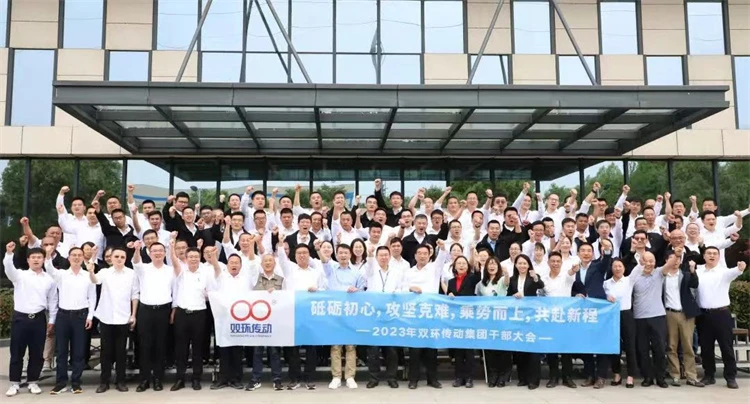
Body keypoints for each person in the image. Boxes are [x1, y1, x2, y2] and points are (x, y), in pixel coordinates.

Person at [4, 241, 58, 397]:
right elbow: (9, 269)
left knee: (37, 352)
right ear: (28, 260)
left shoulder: (49, 279)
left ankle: (33, 381)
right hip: (20, 318)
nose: (36, 260)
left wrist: (52, 320)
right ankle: (14, 383)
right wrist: (9, 254)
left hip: (39, 318)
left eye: (39, 257)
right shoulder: (20, 275)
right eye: (33, 257)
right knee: (17, 352)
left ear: (43, 259)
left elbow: (53, 301)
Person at [43, 246, 97, 395]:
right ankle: (60, 383)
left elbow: (92, 297)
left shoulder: (88, 275)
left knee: (78, 351)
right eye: (74, 255)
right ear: (69, 258)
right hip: (63, 316)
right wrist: (48, 254)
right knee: (61, 351)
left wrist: (90, 316)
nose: (77, 257)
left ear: (83, 258)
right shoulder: (61, 274)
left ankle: (76, 382)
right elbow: (49, 269)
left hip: (81, 316)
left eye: (79, 255)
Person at [693, 247, 747, 389]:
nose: (712, 256)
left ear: (718, 256)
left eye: (715, 254)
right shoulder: (698, 272)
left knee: (726, 347)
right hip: (703, 315)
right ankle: (709, 375)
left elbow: (736, 271)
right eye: (709, 253)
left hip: (721, 314)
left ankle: (730, 377)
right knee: (706, 348)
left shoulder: (724, 272)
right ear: (704, 256)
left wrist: (740, 267)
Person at [90, 247, 138, 394]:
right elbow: (95, 280)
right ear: (111, 258)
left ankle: (120, 381)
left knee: (121, 352)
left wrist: (133, 315)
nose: (119, 259)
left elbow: (134, 295)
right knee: (106, 352)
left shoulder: (131, 274)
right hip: (106, 317)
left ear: (125, 259)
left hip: (123, 318)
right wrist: (91, 269)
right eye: (116, 256)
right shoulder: (105, 272)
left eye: (122, 257)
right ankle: (104, 382)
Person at [131, 237, 176, 392]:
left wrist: (173, 310)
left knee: (160, 345)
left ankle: (158, 378)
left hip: (163, 310)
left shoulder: (171, 270)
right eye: (154, 251)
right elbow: (136, 261)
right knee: (145, 346)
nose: (157, 253)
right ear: (149, 253)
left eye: (160, 251)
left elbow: (175, 291)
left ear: (165, 253)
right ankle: (144, 379)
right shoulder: (143, 268)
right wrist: (137, 249)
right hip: (145, 311)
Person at [168, 241, 211, 391]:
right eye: (190, 257)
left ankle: (196, 378)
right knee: (181, 348)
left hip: (199, 314)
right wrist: (171, 247)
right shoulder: (181, 272)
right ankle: (180, 378)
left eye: (196, 256)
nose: (193, 259)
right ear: (186, 259)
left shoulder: (205, 274)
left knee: (198, 348)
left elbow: (210, 292)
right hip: (182, 314)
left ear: (200, 258)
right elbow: (174, 261)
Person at [321, 244, 365, 389]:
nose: (343, 255)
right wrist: (318, 250)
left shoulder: (357, 272)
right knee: (336, 346)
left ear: (350, 254)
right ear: (336, 254)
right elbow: (324, 261)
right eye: (340, 253)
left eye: (346, 253)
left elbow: (363, 292)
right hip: (335, 312)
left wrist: (356, 290)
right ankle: (336, 377)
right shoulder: (331, 270)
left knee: (351, 346)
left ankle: (350, 376)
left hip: (351, 312)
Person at [400, 245, 444, 389]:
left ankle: (433, 379)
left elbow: (441, 258)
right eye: (419, 253)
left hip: (431, 314)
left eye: (425, 253)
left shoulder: (434, 269)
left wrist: (442, 248)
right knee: (415, 350)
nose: (422, 256)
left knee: (431, 350)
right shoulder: (408, 272)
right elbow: (401, 289)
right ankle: (413, 380)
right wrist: (410, 288)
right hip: (414, 314)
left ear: (429, 255)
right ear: (415, 255)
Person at [662, 246, 703, 387]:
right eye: (672, 259)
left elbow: (694, 284)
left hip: (686, 314)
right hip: (669, 313)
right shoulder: (662, 276)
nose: (675, 261)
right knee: (671, 346)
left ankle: (691, 376)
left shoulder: (685, 274)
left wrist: (692, 270)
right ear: (666, 261)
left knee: (688, 346)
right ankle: (675, 375)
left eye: (678, 259)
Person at [208, 254, 249, 390]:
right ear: (227, 265)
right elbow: (216, 267)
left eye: (237, 262)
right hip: (224, 319)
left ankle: (236, 379)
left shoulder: (246, 280)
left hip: (240, 319)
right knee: (224, 350)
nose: (234, 265)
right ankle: (223, 379)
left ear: (241, 265)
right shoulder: (222, 277)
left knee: (237, 350)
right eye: (231, 262)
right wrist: (213, 258)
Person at [364, 245, 402, 388]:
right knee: (373, 350)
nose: (384, 257)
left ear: (390, 256)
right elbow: (369, 265)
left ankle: (391, 377)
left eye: (386, 255)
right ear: (377, 257)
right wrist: (369, 254)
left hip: (390, 314)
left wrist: (396, 293)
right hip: (374, 314)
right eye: (381, 255)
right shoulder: (371, 271)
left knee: (391, 349)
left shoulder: (396, 272)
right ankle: (374, 378)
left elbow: (401, 287)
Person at [246, 252, 286, 391]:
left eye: (270, 261)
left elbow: (286, 299)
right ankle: (255, 379)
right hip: (258, 320)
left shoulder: (281, 280)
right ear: (261, 264)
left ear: (274, 263)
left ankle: (277, 379)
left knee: (274, 351)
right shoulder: (255, 279)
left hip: (274, 320)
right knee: (257, 351)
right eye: (265, 261)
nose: (268, 263)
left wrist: (277, 295)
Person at [505, 254, 545, 390]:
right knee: (520, 350)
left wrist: (536, 277)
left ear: (528, 265)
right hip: (517, 318)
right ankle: (523, 378)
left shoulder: (534, 277)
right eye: (519, 263)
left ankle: (534, 380)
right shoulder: (512, 279)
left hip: (531, 317)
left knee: (532, 350)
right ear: (516, 265)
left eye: (524, 263)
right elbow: (508, 296)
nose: (522, 266)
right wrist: (513, 296)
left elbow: (541, 285)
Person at [631, 251, 669, 388]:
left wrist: (677, 253)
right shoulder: (634, 276)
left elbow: (669, 264)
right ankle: (647, 377)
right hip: (639, 318)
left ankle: (661, 377)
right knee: (643, 350)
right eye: (646, 260)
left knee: (660, 349)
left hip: (657, 316)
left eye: (651, 261)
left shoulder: (659, 273)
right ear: (641, 262)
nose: (649, 263)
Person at [542, 251, 579, 388]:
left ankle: (567, 377)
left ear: (561, 263)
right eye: (553, 261)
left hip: (565, 318)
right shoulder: (543, 279)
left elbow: (572, 272)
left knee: (566, 350)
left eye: (558, 261)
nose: (555, 263)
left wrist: (574, 269)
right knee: (551, 349)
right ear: (548, 263)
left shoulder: (566, 276)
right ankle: (553, 377)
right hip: (550, 319)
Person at [475, 256, 511, 387]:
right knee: (490, 349)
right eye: (489, 264)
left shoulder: (501, 280)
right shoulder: (481, 284)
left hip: (501, 318)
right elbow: (477, 299)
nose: (492, 266)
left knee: (503, 349)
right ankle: (493, 375)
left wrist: (507, 274)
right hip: (487, 320)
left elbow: (507, 282)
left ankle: (503, 376)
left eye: (494, 264)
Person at [446, 256, 481, 388]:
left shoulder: (472, 278)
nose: (461, 265)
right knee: (458, 351)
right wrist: (449, 295)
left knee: (469, 351)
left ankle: (469, 378)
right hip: (456, 319)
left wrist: (475, 258)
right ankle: (458, 377)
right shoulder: (451, 282)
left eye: (464, 263)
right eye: (459, 263)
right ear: (454, 266)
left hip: (469, 318)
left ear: (467, 266)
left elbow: (478, 274)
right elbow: (448, 298)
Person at [603, 259, 638, 389]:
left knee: (630, 346)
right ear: (611, 268)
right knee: (614, 346)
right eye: (615, 266)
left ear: (624, 268)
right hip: (612, 316)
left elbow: (639, 268)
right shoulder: (606, 283)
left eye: (620, 266)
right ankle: (616, 374)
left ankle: (631, 376)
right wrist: (606, 297)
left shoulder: (629, 280)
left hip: (626, 314)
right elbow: (601, 296)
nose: (617, 268)